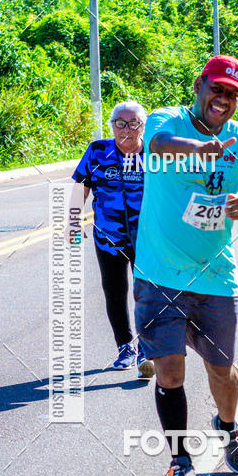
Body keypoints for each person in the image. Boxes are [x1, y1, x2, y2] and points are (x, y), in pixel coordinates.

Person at [134, 55, 238, 476]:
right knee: (169, 370)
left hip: (214, 277)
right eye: (217, 89)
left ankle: (227, 427)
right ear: (199, 85)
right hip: (160, 274)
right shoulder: (165, 119)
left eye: (232, 94)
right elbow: (156, 144)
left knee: (221, 369)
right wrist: (202, 149)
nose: (223, 99)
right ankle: (180, 462)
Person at [69, 100, 154, 380]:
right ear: (112, 125)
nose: (126, 129)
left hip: (149, 239)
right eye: (120, 122)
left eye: (133, 123)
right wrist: (73, 219)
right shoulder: (97, 151)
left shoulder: (155, 153)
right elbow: (82, 184)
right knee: (115, 293)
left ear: (143, 126)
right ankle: (125, 348)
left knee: (147, 293)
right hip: (109, 238)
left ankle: (146, 349)